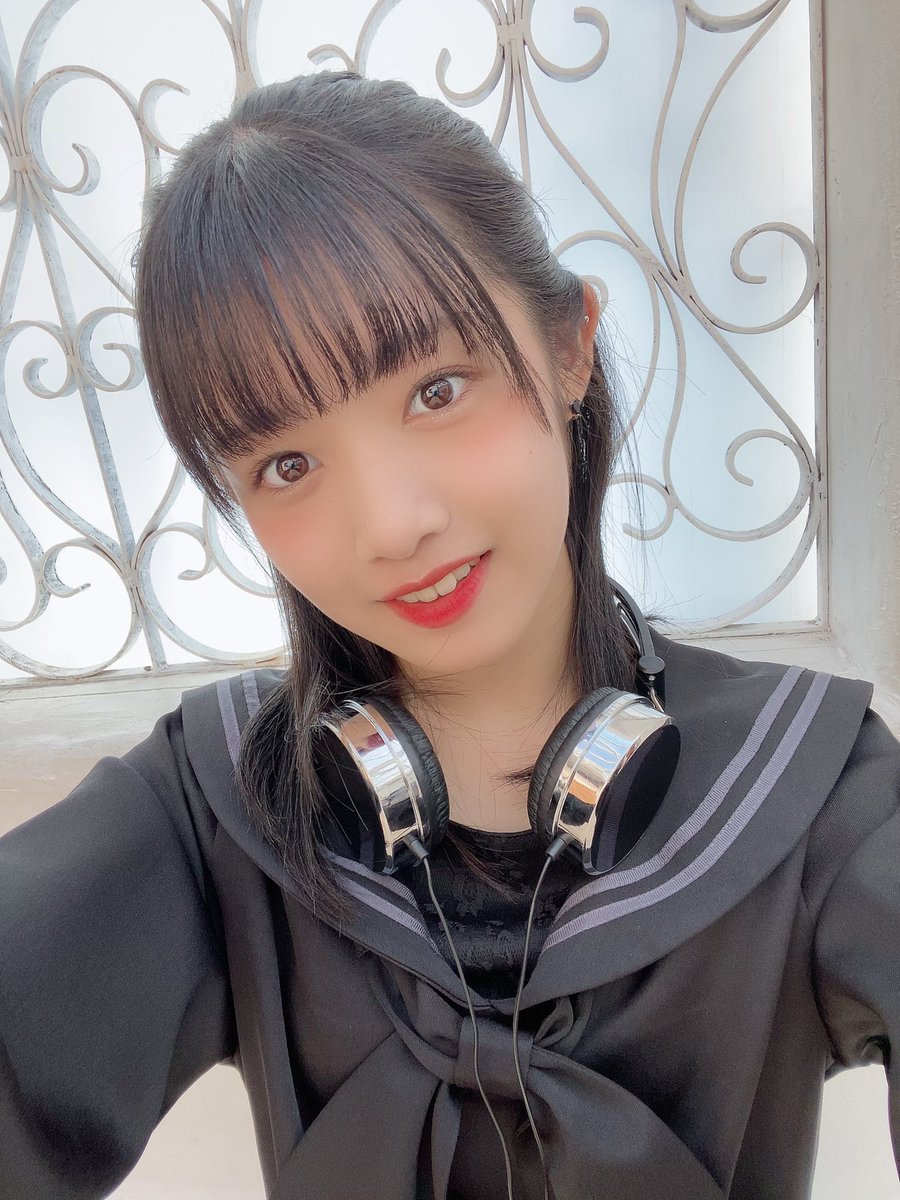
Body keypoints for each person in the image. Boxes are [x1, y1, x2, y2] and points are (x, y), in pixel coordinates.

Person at [0, 70, 898, 1200]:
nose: (392, 525)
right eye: (287, 462)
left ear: (570, 346)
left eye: (437, 390)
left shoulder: (814, 786)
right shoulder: (211, 804)